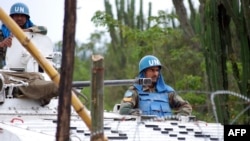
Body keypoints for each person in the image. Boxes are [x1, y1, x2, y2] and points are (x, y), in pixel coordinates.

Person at [119, 55, 192, 117]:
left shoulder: (168, 92)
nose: (155, 74)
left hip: (166, 129)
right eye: (152, 70)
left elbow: (186, 106)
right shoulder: (134, 91)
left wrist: (178, 117)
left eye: (157, 70)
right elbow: (124, 109)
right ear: (144, 72)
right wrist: (137, 114)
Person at [0, 2, 47, 68]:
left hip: (30, 67)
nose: (19, 18)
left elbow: (44, 29)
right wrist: (2, 44)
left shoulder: (32, 29)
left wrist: (25, 31)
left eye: (22, 15)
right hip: (9, 68)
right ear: (12, 17)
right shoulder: (3, 32)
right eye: (16, 15)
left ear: (26, 18)